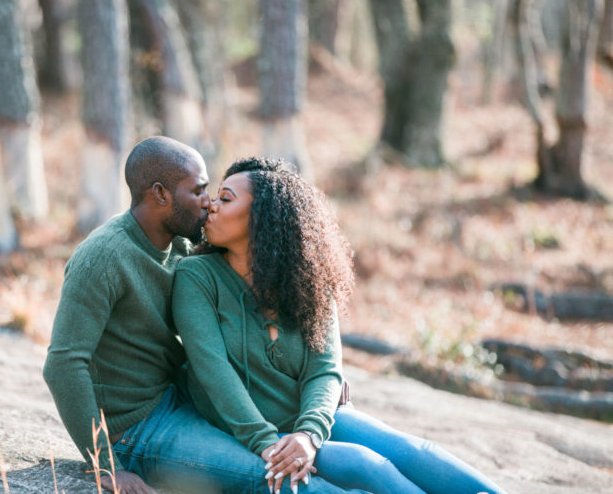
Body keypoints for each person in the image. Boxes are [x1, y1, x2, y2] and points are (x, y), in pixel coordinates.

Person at [173, 157, 508, 494]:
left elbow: (324, 370)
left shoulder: (309, 281)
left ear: (263, 219)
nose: (210, 206)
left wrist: (310, 432)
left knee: (414, 452)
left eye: (225, 198)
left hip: (309, 420)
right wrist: (270, 442)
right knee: (368, 465)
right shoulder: (196, 276)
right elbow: (213, 372)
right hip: (252, 430)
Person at [43, 138, 350, 494]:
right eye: (199, 190)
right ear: (161, 195)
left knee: (335, 466)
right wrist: (107, 465)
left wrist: (319, 373)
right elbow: (63, 364)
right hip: (134, 430)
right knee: (279, 478)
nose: (209, 202)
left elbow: (236, 311)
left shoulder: (182, 245)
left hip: (180, 403)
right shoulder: (103, 257)